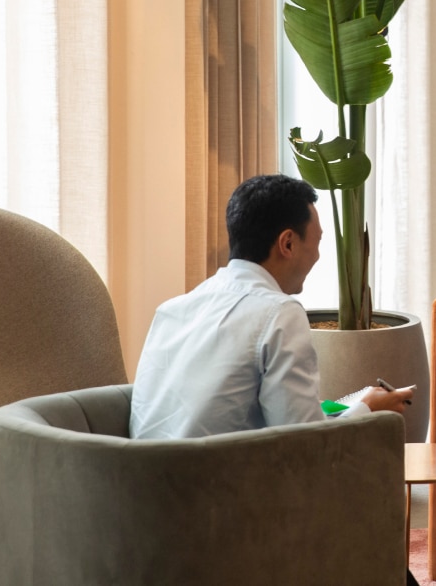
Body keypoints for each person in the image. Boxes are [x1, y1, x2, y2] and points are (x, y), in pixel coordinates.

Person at [130, 174, 413, 440]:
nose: (317, 256)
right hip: (222, 475)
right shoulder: (280, 313)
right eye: (317, 242)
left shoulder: (171, 310)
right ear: (287, 243)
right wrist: (367, 409)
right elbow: (302, 442)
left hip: (137, 473)